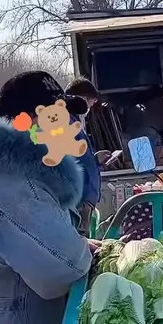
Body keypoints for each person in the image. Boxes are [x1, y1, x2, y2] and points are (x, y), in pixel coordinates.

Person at [0, 71, 94, 324]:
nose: (69, 127)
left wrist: (77, 241)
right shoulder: (8, 185)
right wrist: (81, 250)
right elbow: (61, 268)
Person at [65, 77, 101, 237]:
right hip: (79, 200)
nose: (89, 109)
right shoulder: (66, 124)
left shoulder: (74, 123)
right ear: (82, 99)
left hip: (83, 198)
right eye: (91, 104)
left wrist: (96, 160)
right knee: (80, 242)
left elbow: (80, 157)